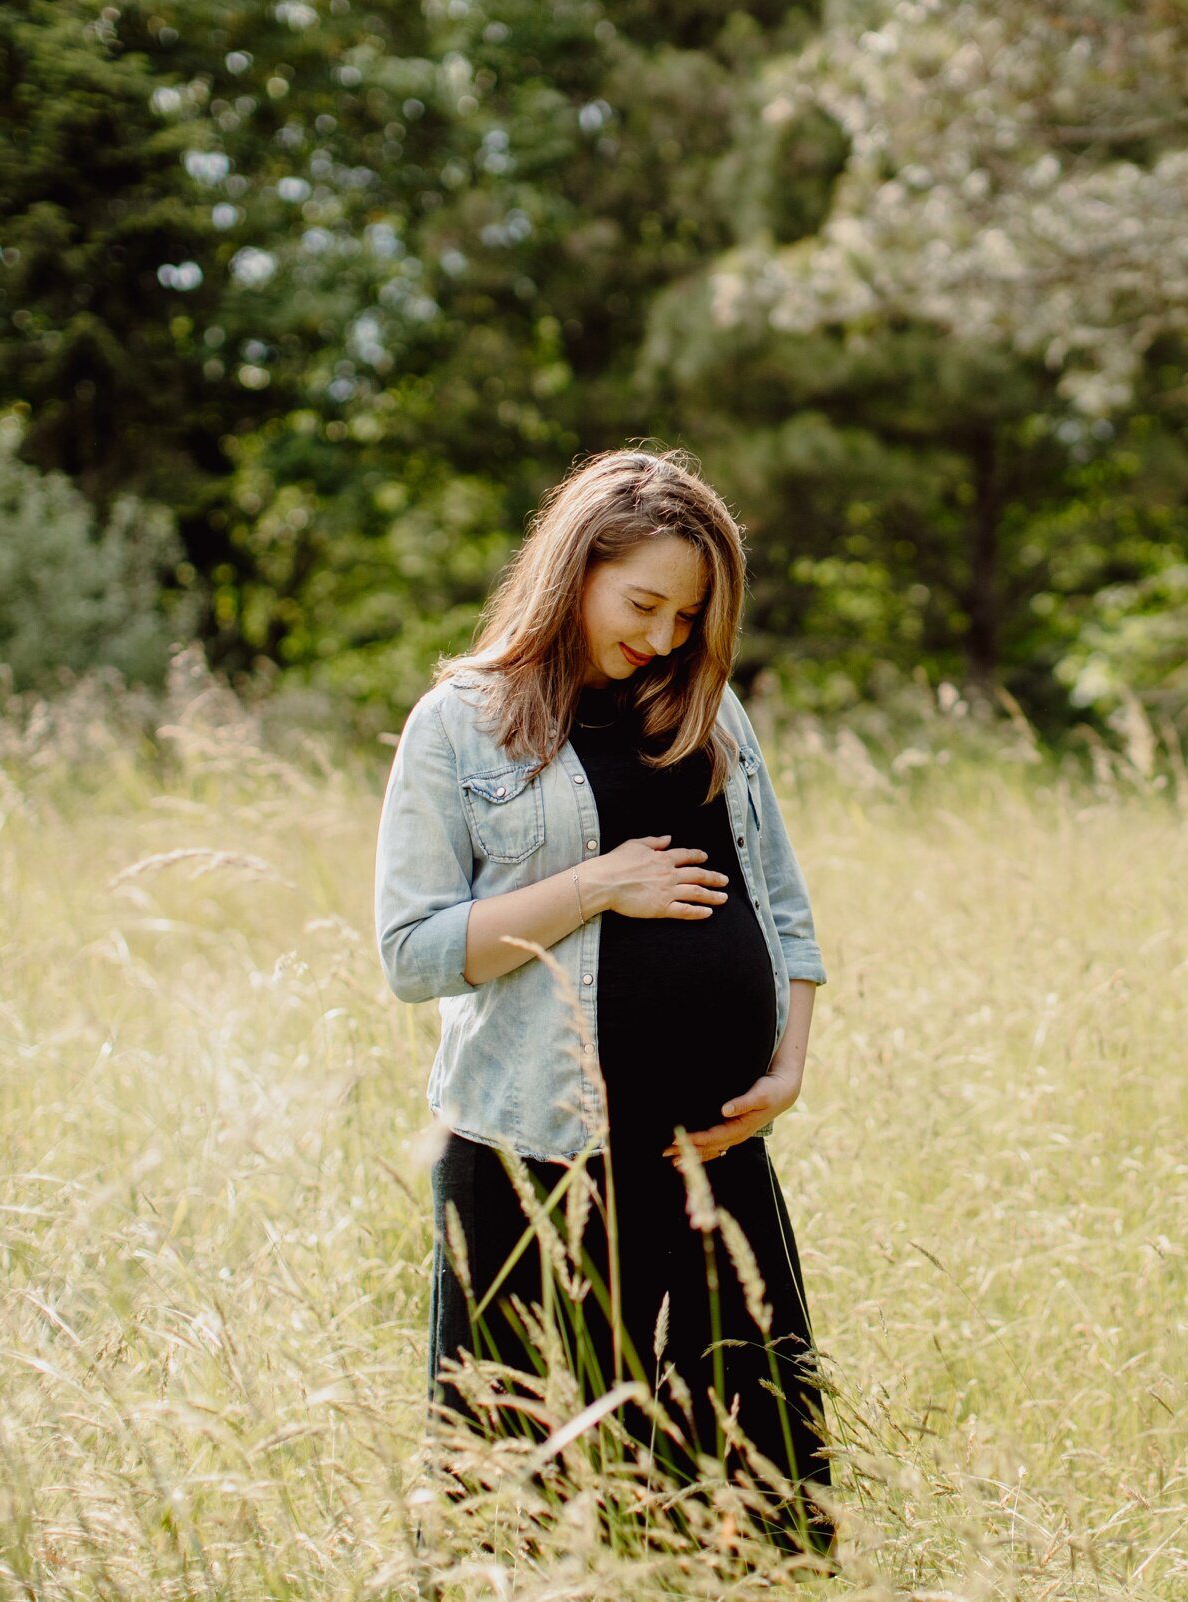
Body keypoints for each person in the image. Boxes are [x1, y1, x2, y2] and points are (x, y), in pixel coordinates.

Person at [372, 447, 832, 1554]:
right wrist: (596, 886)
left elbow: (784, 905)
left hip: (708, 1159)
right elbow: (413, 951)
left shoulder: (710, 714)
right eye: (645, 603)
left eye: (691, 615)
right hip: (533, 1163)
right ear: (576, 567)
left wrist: (787, 1066)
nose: (667, 638)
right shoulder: (459, 724)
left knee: (747, 1506)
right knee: (517, 1504)